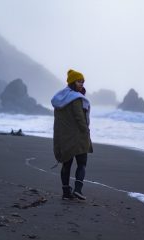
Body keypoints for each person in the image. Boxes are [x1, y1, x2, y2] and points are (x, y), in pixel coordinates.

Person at [51, 69, 93, 200]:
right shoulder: (76, 98)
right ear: (72, 82)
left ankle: (65, 192)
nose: (81, 84)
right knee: (82, 163)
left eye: (82, 81)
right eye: (79, 81)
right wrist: (86, 131)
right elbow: (80, 118)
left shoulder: (60, 98)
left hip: (64, 136)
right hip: (78, 137)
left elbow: (58, 120)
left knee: (66, 164)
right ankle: (78, 190)